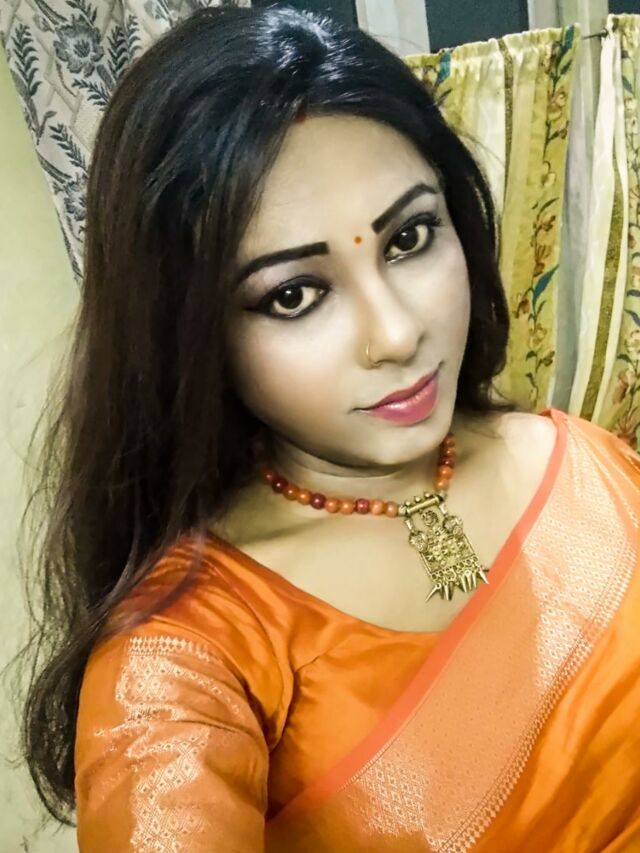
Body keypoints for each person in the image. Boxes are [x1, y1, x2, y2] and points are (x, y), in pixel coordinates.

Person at [17, 5, 640, 851]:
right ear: (187, 332)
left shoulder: (585, 460)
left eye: (410, 237)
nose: (397, 334)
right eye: (294, 294)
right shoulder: (187, 662)